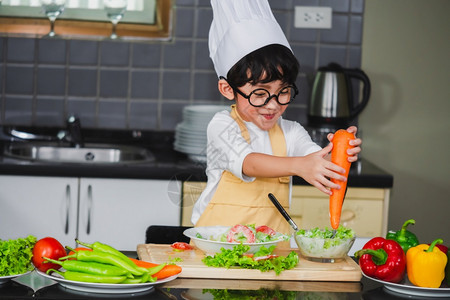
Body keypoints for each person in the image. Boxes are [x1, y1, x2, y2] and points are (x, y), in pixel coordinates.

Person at [191, 0, 361, 234]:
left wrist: (338, 155)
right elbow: (249, 163)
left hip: (271, 253)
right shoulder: (222, 126)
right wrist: (300, 166)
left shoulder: (291, 132)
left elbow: (315, 161)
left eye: (283, 92)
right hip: (217, 247)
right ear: (228, 89)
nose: (273, 105)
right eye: (260, 94)